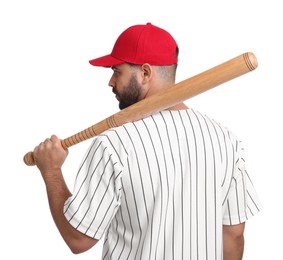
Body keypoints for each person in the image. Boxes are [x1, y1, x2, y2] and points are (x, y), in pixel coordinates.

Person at [32, 22, 262, 260]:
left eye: (117, 71)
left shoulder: (114, 143)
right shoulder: (225, 140)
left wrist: (52, 170)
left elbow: (78, 239)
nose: (110, 82)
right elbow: (233, 234)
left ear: (145, 72)